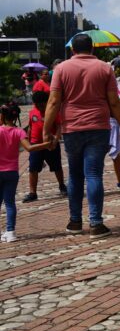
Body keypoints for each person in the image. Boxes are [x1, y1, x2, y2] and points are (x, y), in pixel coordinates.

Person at [43, 33, 120, 239]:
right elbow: (114, 102)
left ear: (72, 49)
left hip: (72, 127)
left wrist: (47, 129)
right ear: (92, 49)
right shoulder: (103, 68)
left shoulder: (61, 69)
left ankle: (75, 221)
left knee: (74, 175)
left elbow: (54, 102)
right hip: (98, 125)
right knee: (93, 174)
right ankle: (96, 224)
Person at [0, 103, 53, 242]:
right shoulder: (19, 132)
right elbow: (29, 148)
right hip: (12, 172)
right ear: (16, 116)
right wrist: (46, 145)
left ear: (2, 116)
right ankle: (10, 232)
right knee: (10, 203)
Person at [23, 91, 67, 202]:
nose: (39, 107)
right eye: (37, 104)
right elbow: (30, 127)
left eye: (41, 104)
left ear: (46, 103)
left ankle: (62, 185)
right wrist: (28, 139)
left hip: (50, 145)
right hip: (36, 145)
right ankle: (33, 192)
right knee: (33, 168)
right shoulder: (32, 112)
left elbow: (58, 127)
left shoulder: (53, 112)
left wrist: (56, 140)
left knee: (56, 166)